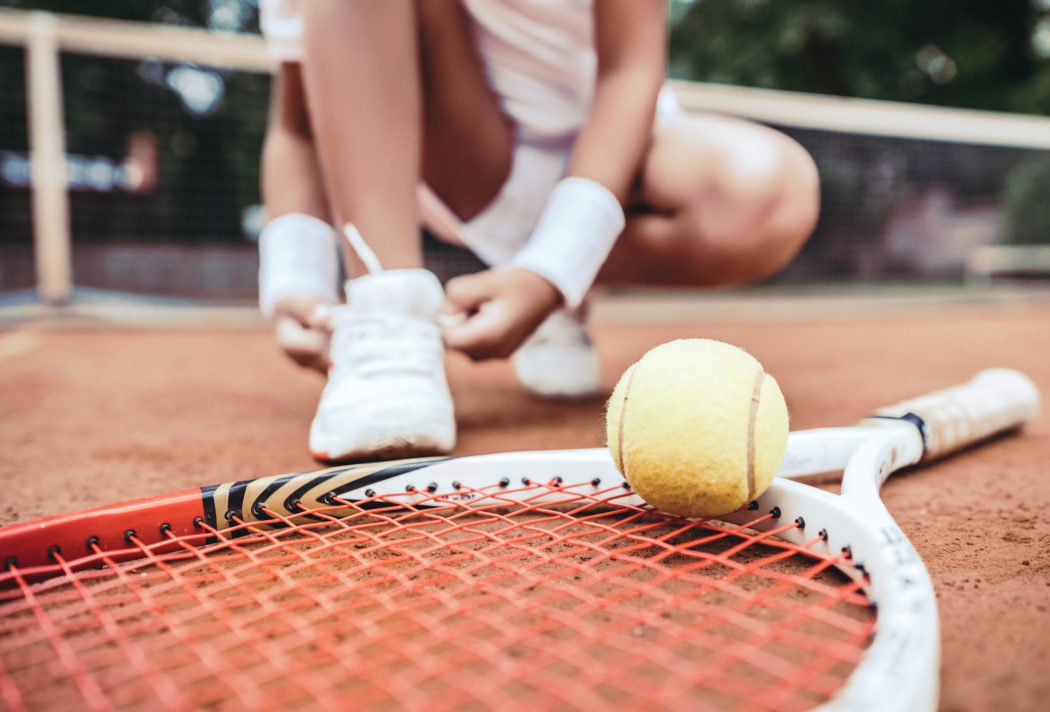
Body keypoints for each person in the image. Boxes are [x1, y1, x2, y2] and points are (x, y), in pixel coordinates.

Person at [256, 0, 819, 462]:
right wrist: (294, 281)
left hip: (615, 155)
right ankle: (388, 307)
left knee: (770, 195)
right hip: (460, 163)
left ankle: (552, 286)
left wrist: (553, 270)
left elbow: (631, 69)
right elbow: (297, 124)